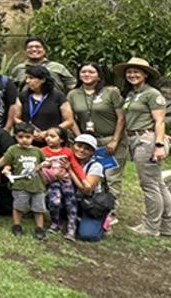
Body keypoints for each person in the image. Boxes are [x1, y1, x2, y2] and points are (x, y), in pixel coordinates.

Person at [115, 57, 170, 237]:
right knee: (158, 184)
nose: (132, 75)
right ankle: (166, 225)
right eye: (129, 72)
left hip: (147, 139)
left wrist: (159, 145)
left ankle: (150, 226)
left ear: (145, 74)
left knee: (150, 185)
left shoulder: (152, 94)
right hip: (135, 139)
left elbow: (160, 120)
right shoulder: (132, 94)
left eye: (136, 71)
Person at [68, 62, 125, 197]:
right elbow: (71, 119)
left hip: (109, 139)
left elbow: (121, 118)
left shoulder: (111, 92)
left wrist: (115, 140)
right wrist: (80, 139)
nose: (87, 74)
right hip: (87, 142)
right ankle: (92, 207)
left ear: (99, 76)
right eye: (83, 72)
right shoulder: (73, 94)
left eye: (91, 72)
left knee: (111, 177)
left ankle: (111, 211)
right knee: (90, 173)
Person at [1, 122, 48, 239]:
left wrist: (47, 164)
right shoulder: (13, 150)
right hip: (19, 185)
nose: (24, 140)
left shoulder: (38, 151)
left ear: (33, 137)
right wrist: (6, 170)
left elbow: (46, 163)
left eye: (28, 137)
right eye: (20, 137)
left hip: (37, 185)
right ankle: (17, 225)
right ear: (15, 137)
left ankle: (39, 228)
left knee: (38, 208)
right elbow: (6, 164)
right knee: (19, 206)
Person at [40, 126, 80, 241]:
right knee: (55, 201)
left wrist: (83, 180)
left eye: (52, 136)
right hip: (52, 182)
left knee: (70, 203)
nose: (48, 138)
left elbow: (75, 166)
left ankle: (72, 228)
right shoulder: (42, 151)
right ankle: (55, 223)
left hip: (66, 181)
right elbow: (39, 168)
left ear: (61, 139)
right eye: (47, 136)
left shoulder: (67, 152)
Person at [13, 65, 73, 133]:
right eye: (26, 78)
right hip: (28, 138)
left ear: (43, 80)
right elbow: (16, 118)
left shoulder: (58, 96)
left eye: (31, 78)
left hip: (52, 139)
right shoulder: (22, 96)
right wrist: (28, 130)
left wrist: (49, 132)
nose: (27, 81)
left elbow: (69, 121)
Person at [10, 37, 75, 94]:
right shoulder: (18, 69)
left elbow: (73, 86)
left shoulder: (58, 67)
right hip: (26, 106)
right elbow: (10, 90)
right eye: (30, 47)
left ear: (44, 50)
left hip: (54, 105)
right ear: (25, 51)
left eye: (38, 47)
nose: (34, 49)